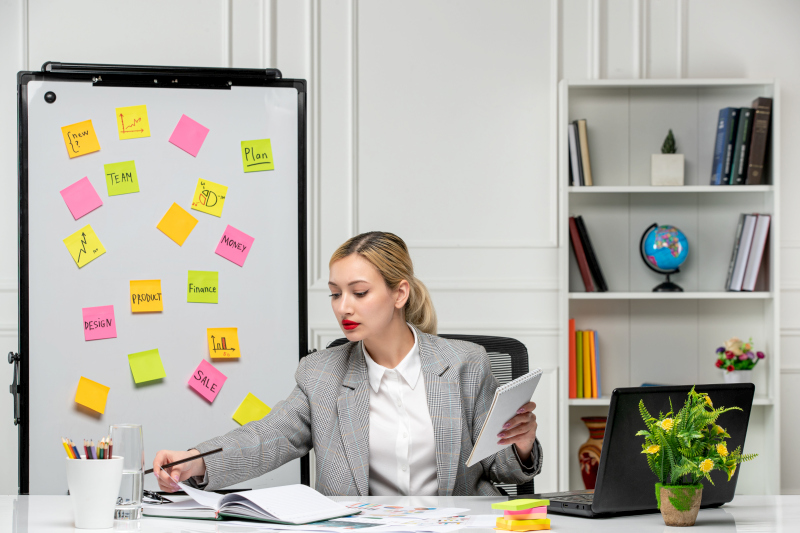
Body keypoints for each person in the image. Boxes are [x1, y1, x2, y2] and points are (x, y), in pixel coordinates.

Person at [153, 231, 542, 496]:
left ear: (399, 293)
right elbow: (268, 437)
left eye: (359, 292)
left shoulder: (464, 364)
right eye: (335, 294)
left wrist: (522, 446)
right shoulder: (320, 373)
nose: (344, 307)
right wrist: (195, 461)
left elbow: (502, 470)